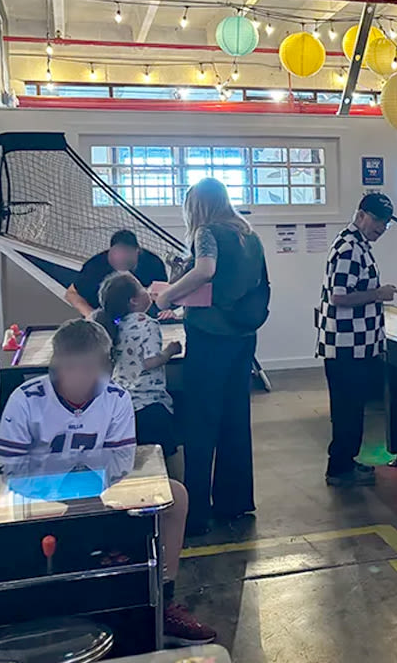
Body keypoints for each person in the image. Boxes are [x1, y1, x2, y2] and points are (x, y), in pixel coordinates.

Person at [0, 319, 216, 645]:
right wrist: (62, 486)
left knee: (176, 496)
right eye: (73, 368)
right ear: (57, 364)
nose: (82, 377)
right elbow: (8, 468)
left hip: (100, 492)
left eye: (91, 368)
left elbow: (121, 462)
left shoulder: (116, 397)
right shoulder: (26, 398)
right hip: (40, 500)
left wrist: (82, 484)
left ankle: (161, 600)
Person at [155, 178, 268, 535]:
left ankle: (196, 513)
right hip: (243, 336)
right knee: (235, 418)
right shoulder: (250, 235)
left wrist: (167, 296)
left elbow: (205, 270)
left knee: (201, 422)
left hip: (210, 336)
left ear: (198, 205)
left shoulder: (207, 232)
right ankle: (234, 502)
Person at [315, 192, 397, 487]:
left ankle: (347, 461)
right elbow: (339, 296)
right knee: (346, 410)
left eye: (386, 223)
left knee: (352, 410)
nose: (381, 228)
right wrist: (379, 294)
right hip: (346, 346)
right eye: (377, 220)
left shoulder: (359, 245)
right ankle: (339, 469)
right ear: (361, 214)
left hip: (357, 344)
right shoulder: (348, 248)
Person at [92, 271, 184, 481]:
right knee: (170, 453)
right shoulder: (147, 324)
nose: (148, 290)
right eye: (143, 288)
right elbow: (149, 361)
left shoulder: (114, 326)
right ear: (133, 301)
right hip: (149, 404)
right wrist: (169, 352)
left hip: (123, 405)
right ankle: (180, 493)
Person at [66, 230, 170, 318]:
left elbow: (163, 294)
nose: (120, 258)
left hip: (141, 316)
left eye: (126, 254)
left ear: (137, 251)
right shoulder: (95, 266)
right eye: (116, 254)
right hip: (102, 314)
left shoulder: (153, 263)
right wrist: (92, 315)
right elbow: (71, 294)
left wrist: (166, 310)